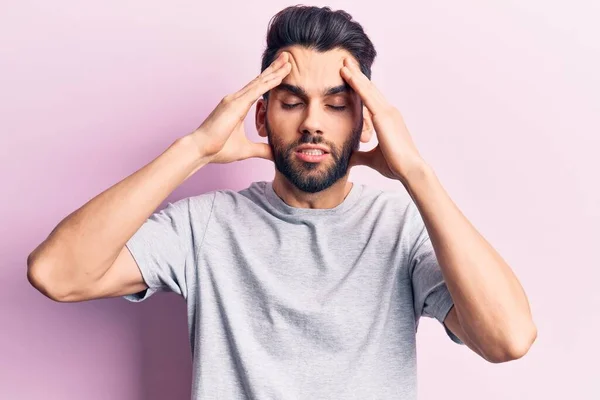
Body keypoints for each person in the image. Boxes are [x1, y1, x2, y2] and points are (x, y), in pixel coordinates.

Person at [27, 5, 536, 399]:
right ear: (262, 116)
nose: (313, 121)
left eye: (337, 106)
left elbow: (508, 339)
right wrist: (194, 149)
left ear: (363, 124)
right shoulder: (206, 226)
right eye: (292, 102)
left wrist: (416, 173)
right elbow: (56, 273)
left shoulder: (401, 229)